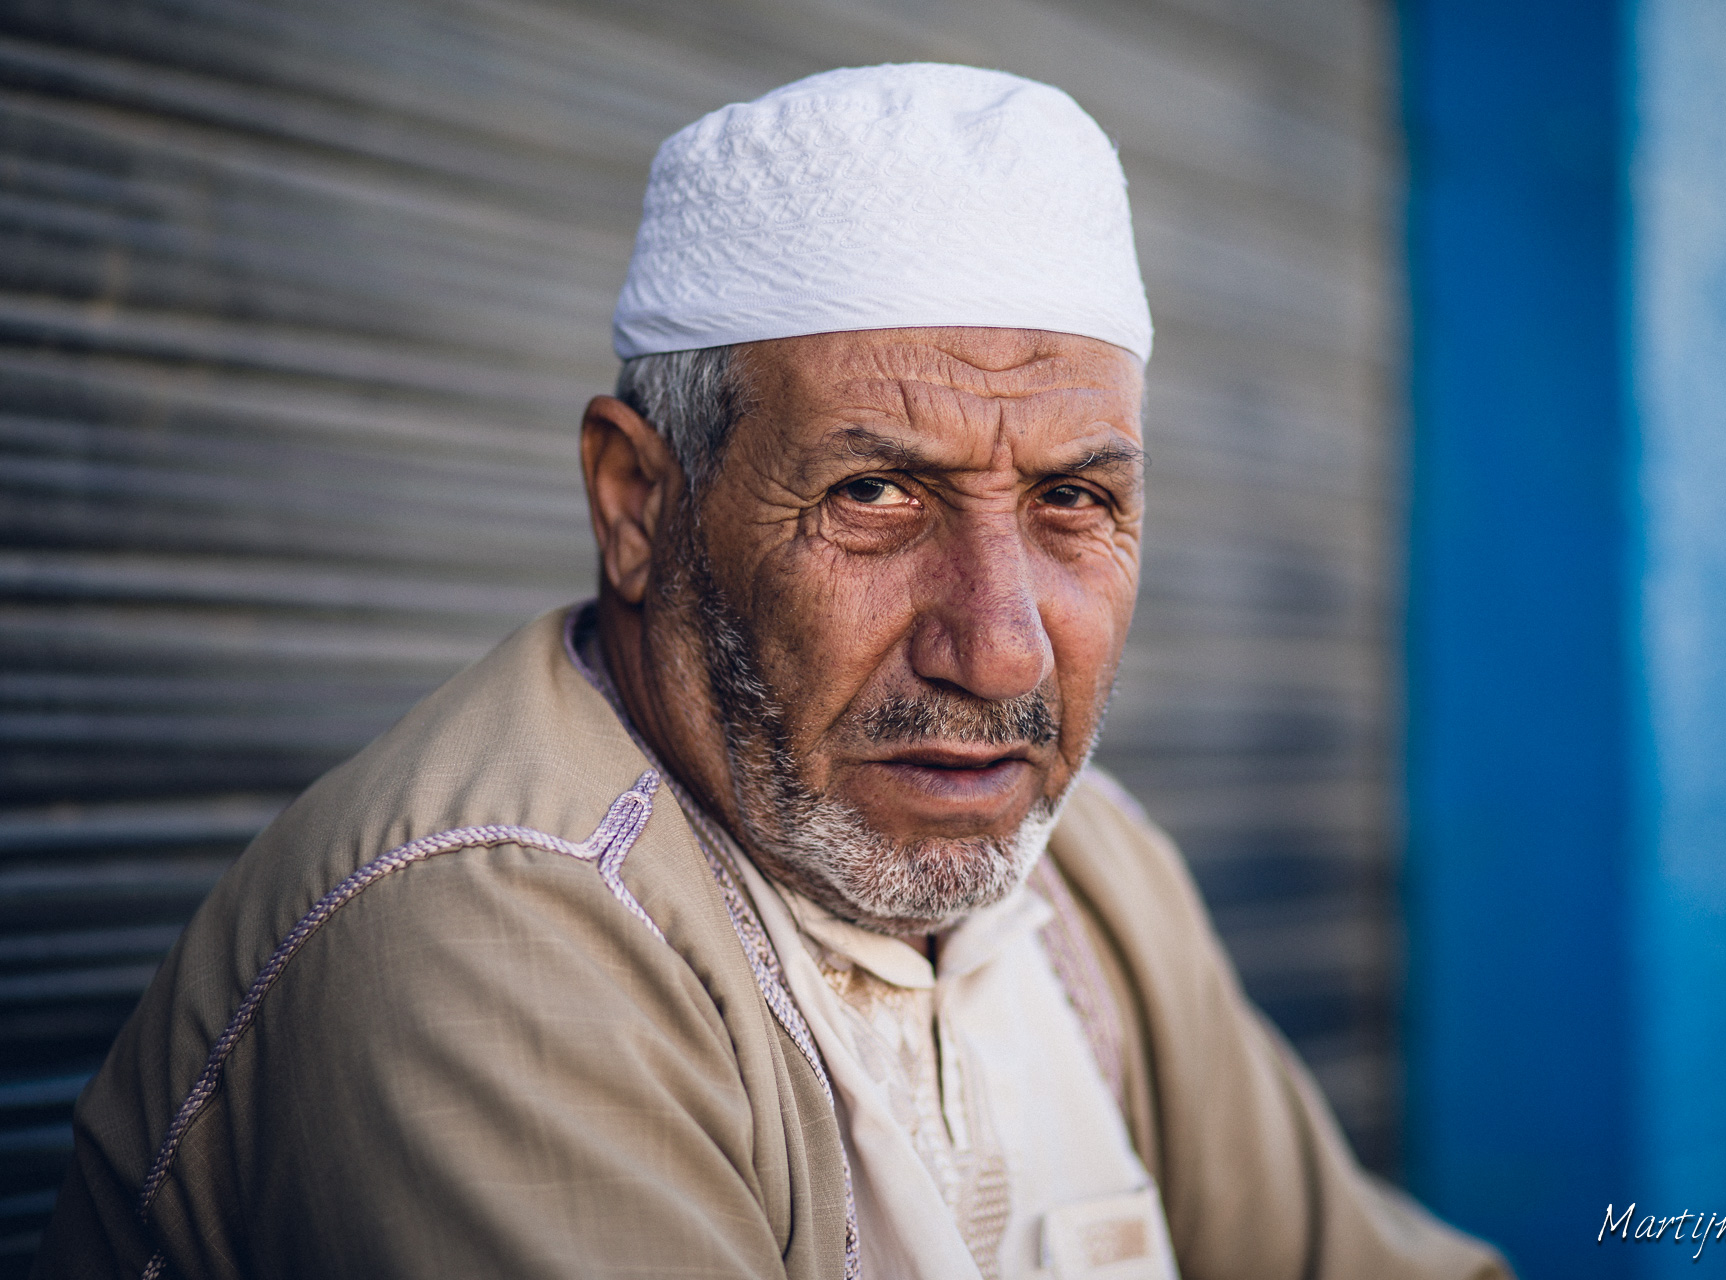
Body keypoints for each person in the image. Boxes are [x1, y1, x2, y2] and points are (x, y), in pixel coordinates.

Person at [33, 64, 1508, 1280]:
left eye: (1075, 502)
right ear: (637, 504)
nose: (996, 647)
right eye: (873, 496)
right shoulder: (493, 933)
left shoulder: (1084, 867)